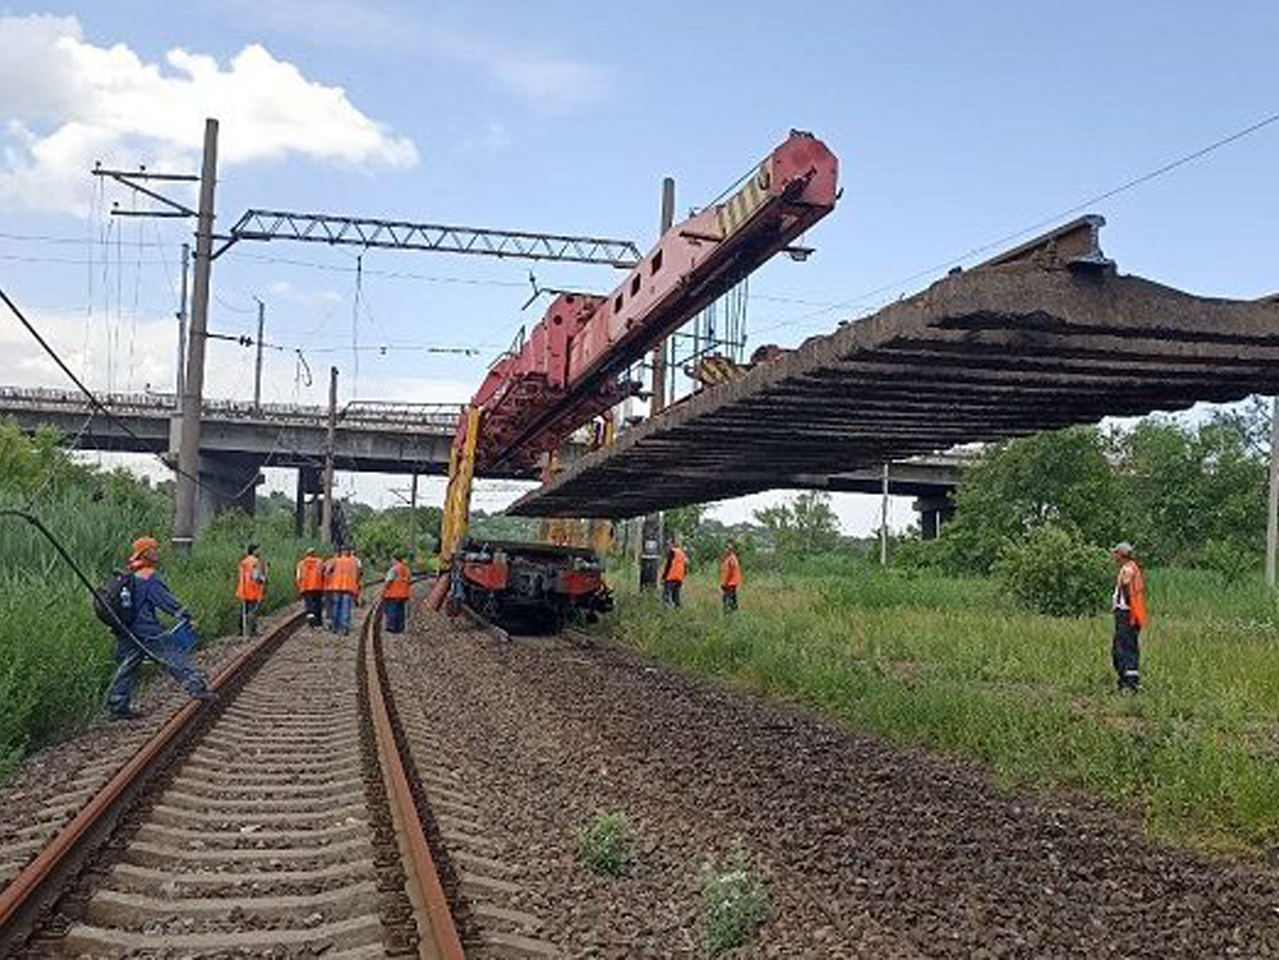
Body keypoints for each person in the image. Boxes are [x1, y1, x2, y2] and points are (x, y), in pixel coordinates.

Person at [105, 536, 212, 720]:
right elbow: (166, 602)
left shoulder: (132, 574)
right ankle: (197, 688)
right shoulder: (148, 576)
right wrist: (186, 614)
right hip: (147, 630)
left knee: (129, 663)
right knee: (172, 653)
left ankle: (117, 705)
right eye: (153, 549)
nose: (157, 552)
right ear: (144, 553)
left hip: (127, 628)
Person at [1110, 542, 1148, 693]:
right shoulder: (1132, 566)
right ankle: (1126, 681)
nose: (1114, 556)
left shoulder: (1128, 568)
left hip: (1126, 613)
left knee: (1124, 647)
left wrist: (1125, 602)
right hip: (1130, 613)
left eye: (1115, 553)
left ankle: (1129, 684)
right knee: (1123, 647)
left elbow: (1126, 582)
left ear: (1121, 554)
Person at [329, 545, 362, 634]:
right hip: (348, 588)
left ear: (341, 552)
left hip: (336, 587)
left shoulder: (336, 561)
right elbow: (359, 573)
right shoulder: (354, 562)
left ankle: (334, 627)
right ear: (348, 552)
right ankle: (344, 628)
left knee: (336, 607)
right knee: (346, 607)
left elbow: (328, 571)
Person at [236, 543, 267, 637]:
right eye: (258, 549)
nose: (260, 551)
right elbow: (256, 577)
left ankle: (242, 630)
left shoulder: (243, 562)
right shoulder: (255, 562)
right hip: (253, 590)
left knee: (243, 611)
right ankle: (251, 630)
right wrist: (263, 578)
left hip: (243, 589)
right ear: (253, 551)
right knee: (252, 611)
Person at [382, 552, 412, 634]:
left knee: (392, 611)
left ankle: (392, 627)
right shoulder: (406, 569)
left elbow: (388, 581)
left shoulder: (394, 569)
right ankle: (400, 628)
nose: (392, 561)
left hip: (393, 594)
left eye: (392, 559)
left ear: (395, 559)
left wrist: (384, 592)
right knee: (401, 611)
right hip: (404, 594)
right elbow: (409, 581)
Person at [296, 548, 324, 627]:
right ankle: (318, 622)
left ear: (306, 554)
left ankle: (311, 620)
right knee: (318, 604)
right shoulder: (320, 562)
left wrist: (299, 588)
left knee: (308, 604)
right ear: (314, 554)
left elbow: (298, 577)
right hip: (317, 586)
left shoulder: (300, 564)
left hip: (305, 587)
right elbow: (323, 574)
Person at [662, 535, 687, 608]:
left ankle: (668, 611)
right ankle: (678, 609)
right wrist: (683, 576)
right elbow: (686, 566)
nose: (667, 545)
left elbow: (668, 565)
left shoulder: (672, 552)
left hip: (670, 577)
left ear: (672, 543)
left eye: (668, 543)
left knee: (666, 595)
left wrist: (664, 576)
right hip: (679, 578)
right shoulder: (682, 553)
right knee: (676, 595)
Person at [720, 541, 742, 613]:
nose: (725, 550)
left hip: (730, 583)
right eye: (726, 548)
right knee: (732, 601)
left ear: (730, 550)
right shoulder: (731, 558)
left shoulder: (731, 559)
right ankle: (734, 614)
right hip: (732, 583)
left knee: (726, 601)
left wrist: (724, 583)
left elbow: (729, 573)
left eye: (727, 548)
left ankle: (728, 615)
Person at [321, 551, 336, 629]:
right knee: (335, 605)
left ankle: (330, 621)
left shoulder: (325, 564)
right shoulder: (337, 563)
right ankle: (334, 622)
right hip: (335, 588)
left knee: (328, 606)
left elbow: (322, 576)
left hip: (327, 588)